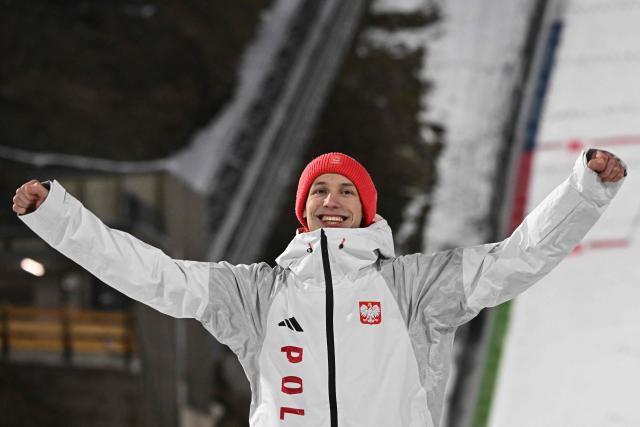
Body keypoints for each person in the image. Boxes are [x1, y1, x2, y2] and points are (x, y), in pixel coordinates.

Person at [12, 150, 626, 427]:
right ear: (303, 213)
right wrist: (58, 218)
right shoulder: (255, 295)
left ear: (366, 209)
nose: (332, 201)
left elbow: (512, 260)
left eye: (346, 191)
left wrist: (583, 191)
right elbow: (153, 275)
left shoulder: (413, 286)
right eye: (319, 193)